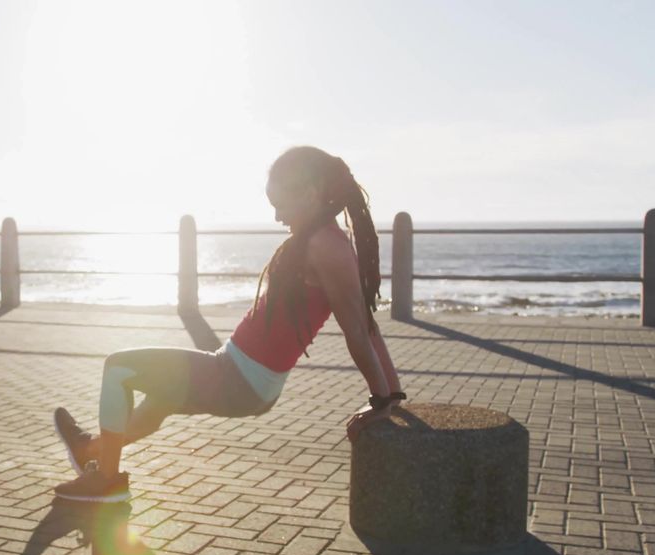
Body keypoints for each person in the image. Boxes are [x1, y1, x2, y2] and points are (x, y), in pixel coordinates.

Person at [53, 146, 405, 502]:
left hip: (238, 378)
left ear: (311, 193)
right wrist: (393, 394)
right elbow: (367, 325)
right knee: (160, 399)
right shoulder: (324, 240)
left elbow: (358, 330)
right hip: (241, 374)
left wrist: (380, 401)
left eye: (280, 205)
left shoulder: (325, 245)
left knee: (119, 367)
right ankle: (91, 450)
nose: (278, 217)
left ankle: (107, 482)